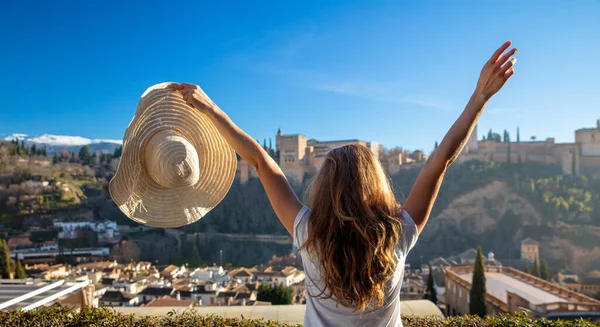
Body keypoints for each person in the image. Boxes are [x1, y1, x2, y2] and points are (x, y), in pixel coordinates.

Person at [173, 40, 517, 326]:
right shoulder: (397, 233)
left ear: (327, 184)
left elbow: (262, 164)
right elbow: (440, 161)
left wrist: (211, 109)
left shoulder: (309, 231)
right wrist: (479, 97)